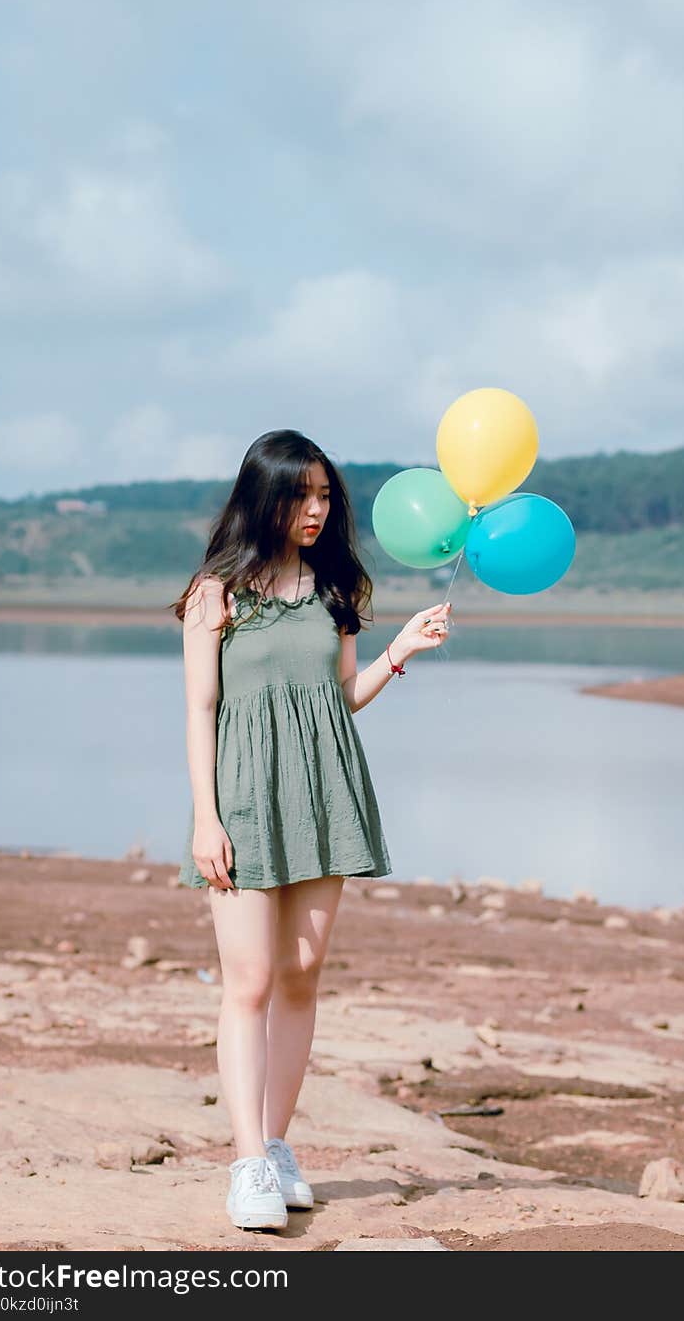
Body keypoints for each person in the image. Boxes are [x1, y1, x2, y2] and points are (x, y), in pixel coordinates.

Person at [172, 429, 452, 1231]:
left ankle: (278, 1143)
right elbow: (201, 709)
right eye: (302, 495)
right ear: (266, 498)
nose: (318, 510)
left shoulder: (334, 589)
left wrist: (399, 649)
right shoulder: (215, 593)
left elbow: (339, 697)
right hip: (244, 797)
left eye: (326, 495)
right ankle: (247, 1163)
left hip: (324, 791)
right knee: (250, 979)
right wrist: (206, 816)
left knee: (301, 972)